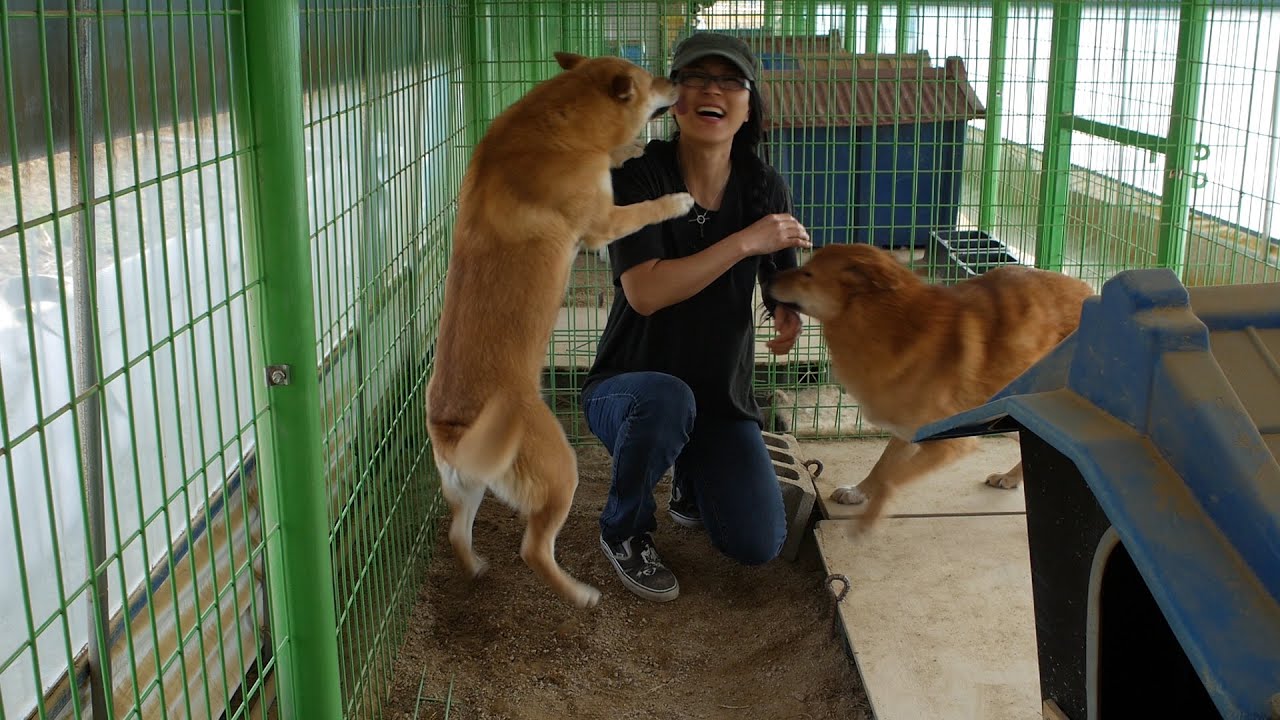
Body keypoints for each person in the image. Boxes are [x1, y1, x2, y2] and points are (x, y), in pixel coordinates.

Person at [580, 32, 812, 603]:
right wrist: (742, 243)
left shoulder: (763, 186)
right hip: (630, 391)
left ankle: (691, 481)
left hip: (716, 398)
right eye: (696, 78)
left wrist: (788, 309)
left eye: (730, 80)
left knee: (757, 542)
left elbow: (779, 277)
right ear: (673, 99)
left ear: (749, 103)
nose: (713, 90)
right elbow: (646, 293)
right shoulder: (639, 181)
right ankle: (625, 529)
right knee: (665, 401)